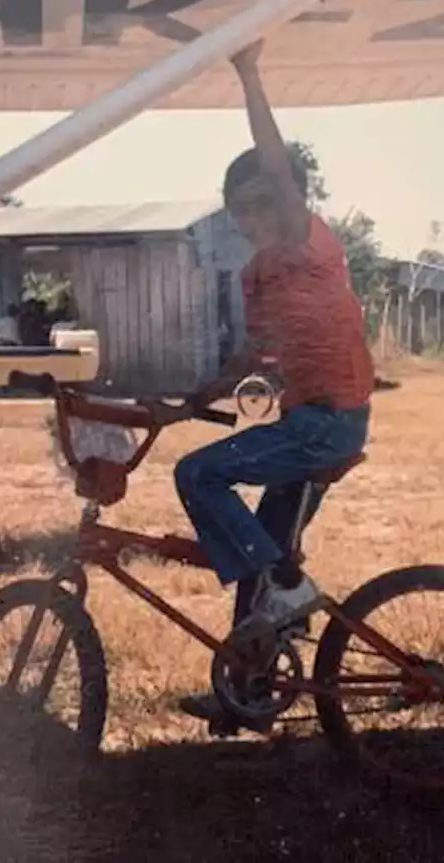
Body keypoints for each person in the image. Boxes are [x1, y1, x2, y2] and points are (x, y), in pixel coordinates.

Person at [146, 40, 375, 728]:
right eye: (238, 210)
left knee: (198, 479)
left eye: (261, 204)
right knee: (255, 554)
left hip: (329, 424)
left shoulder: (308, 244)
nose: (252, 219)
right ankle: (244, 694)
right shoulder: (256, 276)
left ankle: (286, 588)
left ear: (286, 201)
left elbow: (275, 161)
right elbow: (253, 355)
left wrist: (248, 74)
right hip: (306, 422)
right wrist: (191, 401)